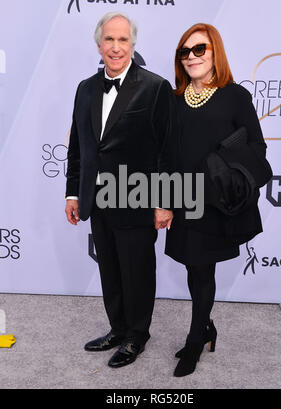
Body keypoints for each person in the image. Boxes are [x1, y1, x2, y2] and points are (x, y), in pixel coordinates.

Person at [65, 12, 176, 368]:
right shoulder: (84, 87)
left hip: (137, 197)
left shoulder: (154, 87)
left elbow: (166, 150)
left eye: (123, 40)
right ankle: (117, 328)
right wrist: (72, 193)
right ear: (99, 45)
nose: (116, 47)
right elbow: (79, 147)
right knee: (110, 269)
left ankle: (136, 337)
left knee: (137, 271)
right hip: (96, 199)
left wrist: (164, 202)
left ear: (132, 44)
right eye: (109, 40)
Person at [165, 23, 269, 377]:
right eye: (185, 51)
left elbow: (257, 148)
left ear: (214, 53)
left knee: (203, 268)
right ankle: (206, 326)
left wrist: (222, 169)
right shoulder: (174, 99)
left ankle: (195, 341)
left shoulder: (235, 96)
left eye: (199, 49)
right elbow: (167, 153)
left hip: (215, 201)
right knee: (193, 267)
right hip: (183, 200)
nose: (191, 56)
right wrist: (164, 200)